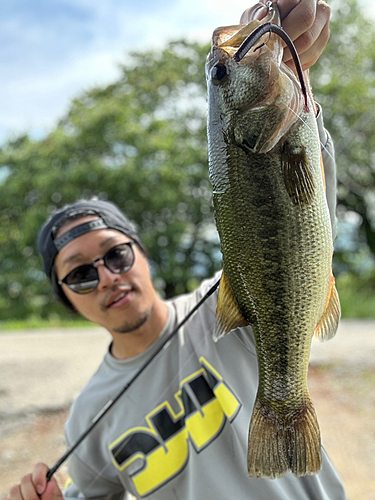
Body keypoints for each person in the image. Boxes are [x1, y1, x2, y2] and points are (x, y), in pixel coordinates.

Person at [9, 1, 346, 499]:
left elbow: (311, 220)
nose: (105, 276)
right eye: (80, 274)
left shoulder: (219, 310)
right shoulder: (87, 419)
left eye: (115, 254)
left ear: (142, 255)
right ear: (64, 296)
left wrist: (299, 87)